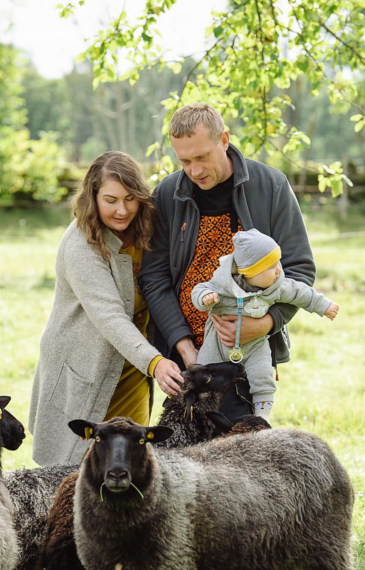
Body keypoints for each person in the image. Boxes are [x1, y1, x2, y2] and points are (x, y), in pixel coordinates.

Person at [139, 103, 317, 420]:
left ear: (224, 140)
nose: (194, 170)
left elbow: (300, 270)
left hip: (248, 354)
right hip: (183, 357)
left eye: (202, 157)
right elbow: (154, 279)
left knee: (242, 457)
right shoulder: (166, 194)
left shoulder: (271, 187)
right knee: (185, 460)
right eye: (184, 161)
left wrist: (264, 324)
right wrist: (184, 348)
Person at [30, 151, 185, 466]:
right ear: (92, 196)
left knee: (129, 464)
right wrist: (155, 363)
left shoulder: (145, 231)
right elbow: (109, 316)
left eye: (130, 198)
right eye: (111, 200)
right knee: (72, 469)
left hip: (132, 368)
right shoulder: (80, 245)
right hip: (83, 369)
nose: (122, 209)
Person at [192, 229, 338, 417]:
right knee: (203, 372)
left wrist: (323, 305)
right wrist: (205, 298)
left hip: (256, 344)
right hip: (217, 342)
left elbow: (301, 292)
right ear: (248, 272)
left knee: (262, 375)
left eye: (278, 262)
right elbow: (199, 289)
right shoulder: (222, 285)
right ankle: (199, 411)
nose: (278, 269)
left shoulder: (276, 286)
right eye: (270, 267)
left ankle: (263, 416)